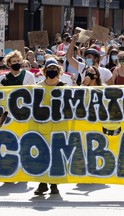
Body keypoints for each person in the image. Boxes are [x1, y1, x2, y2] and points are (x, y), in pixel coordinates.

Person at [34, 57, 66, 195]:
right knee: (42, 154)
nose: (52, 70)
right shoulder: (38, 87)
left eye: (54, 68)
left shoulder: (64, 87)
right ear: (45, 70)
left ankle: (53, 184)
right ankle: (42, 183)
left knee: (56, 154)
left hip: (59, 126)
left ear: (58, 71)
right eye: (49, 68)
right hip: (42, 126)